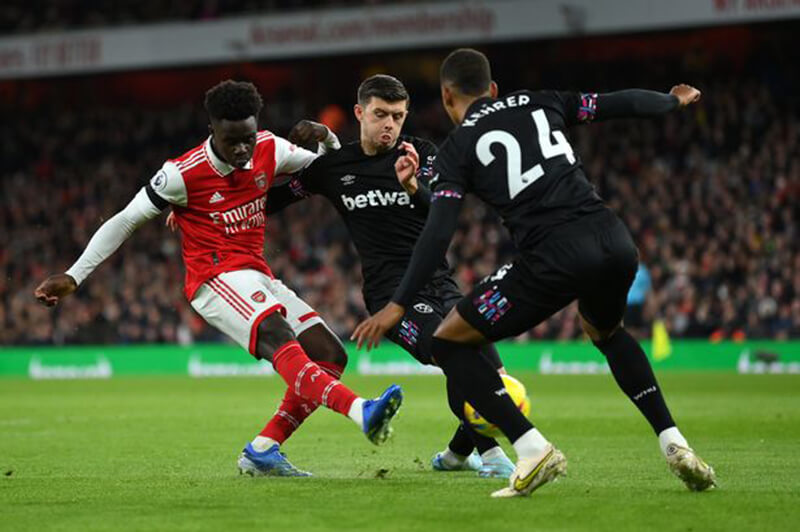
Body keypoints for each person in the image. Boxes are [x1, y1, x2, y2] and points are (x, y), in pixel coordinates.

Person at [353, 49, 716, 498]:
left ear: (447, 96)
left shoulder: (458, 147)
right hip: (614, 240)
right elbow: (618, 103)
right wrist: (671, 100)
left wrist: (397, 304)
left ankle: (532, 449)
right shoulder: (541, 100)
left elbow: (438, 233)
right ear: (492, 89)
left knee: (448, 341)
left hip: (552, 256)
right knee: (607, 333)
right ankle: (674, 443)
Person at [33, 80, 403, 478]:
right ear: (212, 130)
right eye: (232, 141)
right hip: (214, 279)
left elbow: (329, 172)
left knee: (330, 354)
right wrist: (74, 275)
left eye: (248, 138)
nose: (243, 149)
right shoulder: (181, 174)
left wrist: (327, 137)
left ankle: (263, 449)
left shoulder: (270, 147)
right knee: (278, 334)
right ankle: (361, 410)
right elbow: (125, 220)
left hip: (257, 274)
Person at [172, 74, 515, 478]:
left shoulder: (421, 153)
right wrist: (197, 209)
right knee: (456, 356)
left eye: (398, 116)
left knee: (494, 370)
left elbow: (442, 211)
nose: (389, 125)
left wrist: (411, 186)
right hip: (391, 297)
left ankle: (456, 455)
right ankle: (492, 455)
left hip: (441, 284)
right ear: (360, 113)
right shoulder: (336, 167)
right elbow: (268, 199)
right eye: (381, 114)